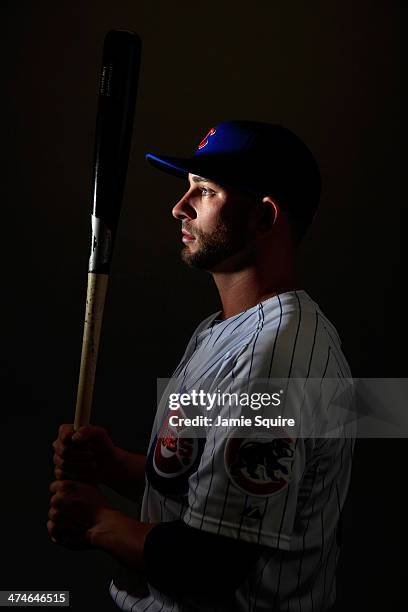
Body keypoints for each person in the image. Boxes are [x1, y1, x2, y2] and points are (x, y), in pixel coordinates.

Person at [48, 120, 355, 611]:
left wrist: (96, 523)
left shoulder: (274, 361)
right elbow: (201, 489)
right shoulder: (223, 329)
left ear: (263, 218)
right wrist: (114, 467)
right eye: (186, 187)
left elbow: (207, 562)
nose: (179, 207)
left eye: (205, 191)